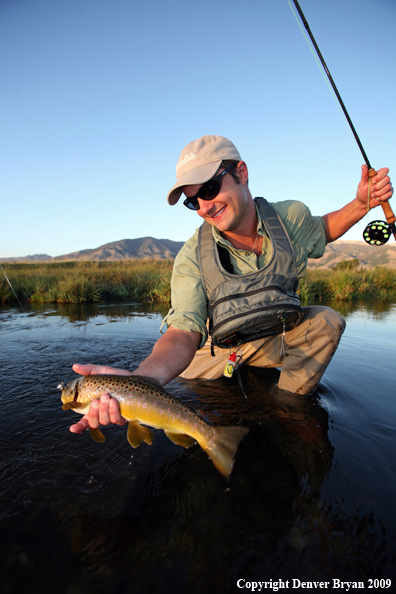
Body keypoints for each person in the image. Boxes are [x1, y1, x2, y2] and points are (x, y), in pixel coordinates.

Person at [69, 135, 393, 435]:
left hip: (269, 334)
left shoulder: (289, 218)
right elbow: (182, 332)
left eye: (209, 189)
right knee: (195, 392)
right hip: (214, 350)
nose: (205, 207)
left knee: (326, 322)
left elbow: (321, 229)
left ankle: (288, 410)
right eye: (192, 202)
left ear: (242, 172)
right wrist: (145, 381)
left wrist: (361, 203)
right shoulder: (190, 258)